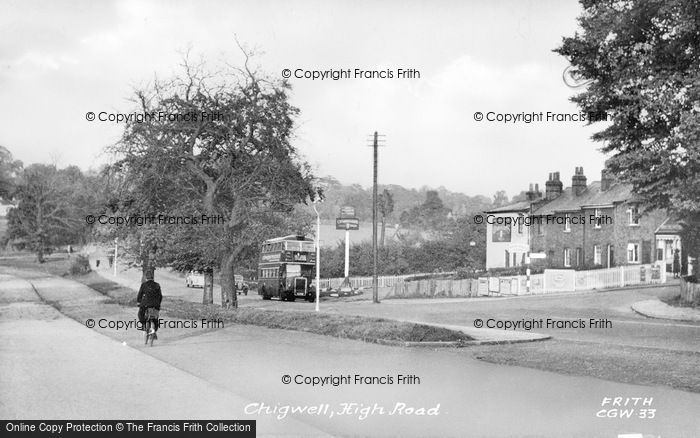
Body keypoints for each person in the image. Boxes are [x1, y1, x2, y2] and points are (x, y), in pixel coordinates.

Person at [137, 271, 162, 338]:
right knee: (155, 318)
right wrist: (158, 304)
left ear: (146, 278)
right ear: (153, 277)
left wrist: (138, 302)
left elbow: (140, 295)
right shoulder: (157, 285)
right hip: (155, 305)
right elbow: (160, 296)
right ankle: (154, 331)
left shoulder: (144, 285)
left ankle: (144, 325)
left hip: (145, 304)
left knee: (140, 314)